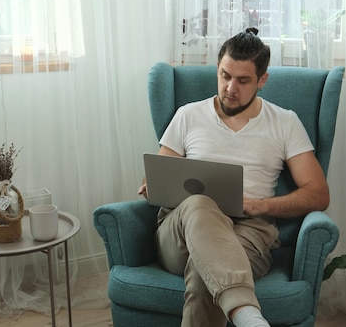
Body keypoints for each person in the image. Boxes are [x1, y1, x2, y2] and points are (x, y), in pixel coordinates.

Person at [137, 28, 330, 327]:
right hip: (181, 233)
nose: (230, 87)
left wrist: (258, 206)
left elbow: (318, 194)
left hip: (249, 231)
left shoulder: (285, 122)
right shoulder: (188, 115)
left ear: (262, 80)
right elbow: (161, 178)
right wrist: (153, 188)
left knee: (205, 276)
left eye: (242, 80)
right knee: (199, 203)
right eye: (225, 75)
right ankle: (248, 315)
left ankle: (243, 313)